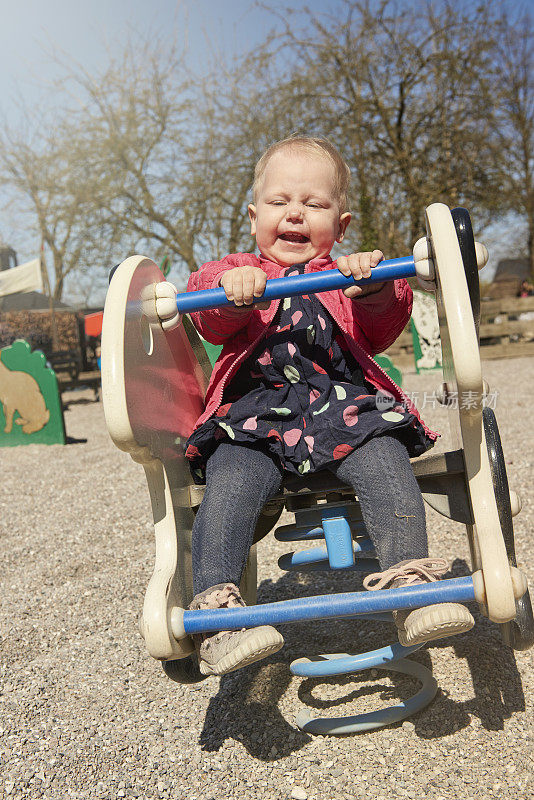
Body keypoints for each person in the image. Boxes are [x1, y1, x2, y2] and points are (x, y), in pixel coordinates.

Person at [158, 136, 474, 676]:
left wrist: (374, 286)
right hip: (255, 419)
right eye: (280, 202)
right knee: (230, 479)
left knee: (384, 456)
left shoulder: (347, 273)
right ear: (255, 216)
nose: (295, 213)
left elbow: (379, 329)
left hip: (342, 411)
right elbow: (207, 311)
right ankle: (216, 617)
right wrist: (229, 286)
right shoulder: (238, 272)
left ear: (342, 225)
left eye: (315, 204)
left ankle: (408, 586)